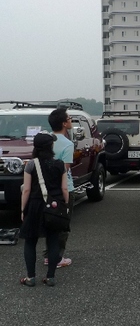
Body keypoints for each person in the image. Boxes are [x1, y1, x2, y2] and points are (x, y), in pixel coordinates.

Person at [20, 132, 69, 287]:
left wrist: (23, 209)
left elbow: (26, 190)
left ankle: (30, 277)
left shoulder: (31, 165)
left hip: (35, 205)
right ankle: (51, 277)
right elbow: (64, 188)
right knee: (53, 240)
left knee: (30, 241)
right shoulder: (59, 164)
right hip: (54, 206)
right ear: (50, 147)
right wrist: (64, 205)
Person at [43, 108, 74, 268]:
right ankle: (57, 258)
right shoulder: (67, 144)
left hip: (45, 188)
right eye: (69, 118)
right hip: (64, 188)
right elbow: (65, 168)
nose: (71, 120)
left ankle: (49, 255)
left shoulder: (45, 139)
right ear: (64, 123)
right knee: (63, 223)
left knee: (49, 222)